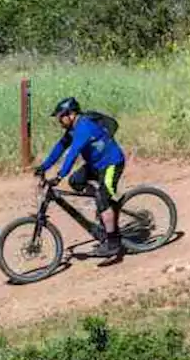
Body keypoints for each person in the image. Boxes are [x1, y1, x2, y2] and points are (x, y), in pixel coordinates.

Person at [35, 97, 126, 261]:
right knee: (75, 181)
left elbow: (73, 153)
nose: (59, 121)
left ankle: (113, 243)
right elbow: (60, 147)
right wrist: (44, 166)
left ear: (70, 114)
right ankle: (104, 207)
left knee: (102, 199)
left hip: (111, 163)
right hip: (96, 165)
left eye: (60, 116)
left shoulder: (84, 126)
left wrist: (59, 176)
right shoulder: (72, 129)